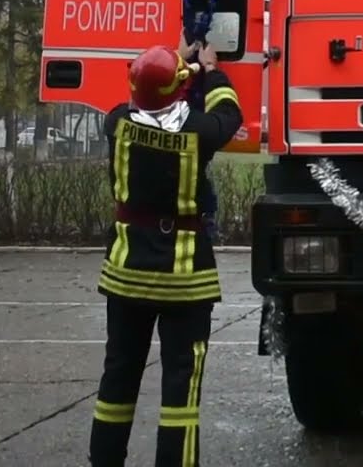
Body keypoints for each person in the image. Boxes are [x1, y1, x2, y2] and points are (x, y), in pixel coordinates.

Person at [88, 37, 242, 467]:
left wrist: (176, 64)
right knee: (180, 388)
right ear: (177, 88)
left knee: (118, 375)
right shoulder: (199, 132)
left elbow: (143, 99)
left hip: (126, 275)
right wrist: (211, 70)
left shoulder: (117, 124)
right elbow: (229, 114)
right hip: (184, 280)